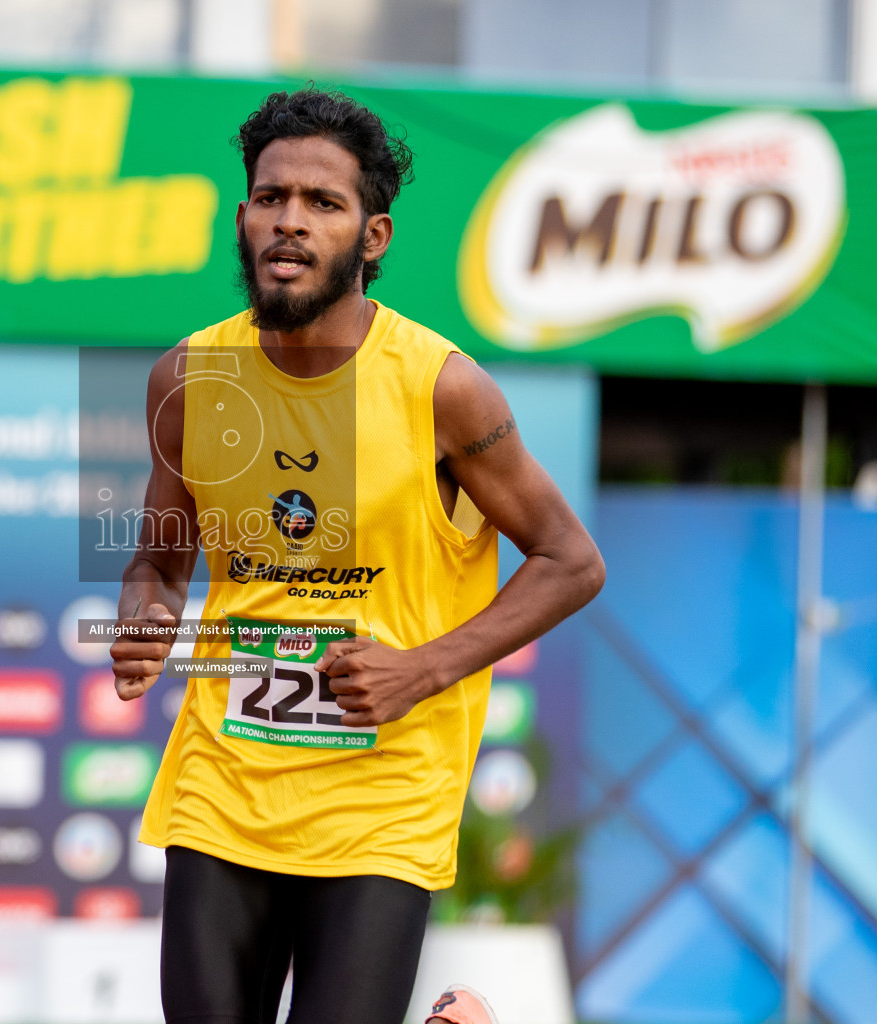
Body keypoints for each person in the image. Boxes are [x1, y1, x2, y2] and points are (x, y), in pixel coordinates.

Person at [108, 88, 605, 1024]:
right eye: (271, 197)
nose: (289, 221)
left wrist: (422, 669)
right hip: (225, 782)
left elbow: (571, 560)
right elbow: (159, 561)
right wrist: (146, 611)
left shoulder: (443, 390)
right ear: (244, 214)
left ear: (372, 237)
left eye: (323, 203)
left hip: (383, 793)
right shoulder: (185, 380)